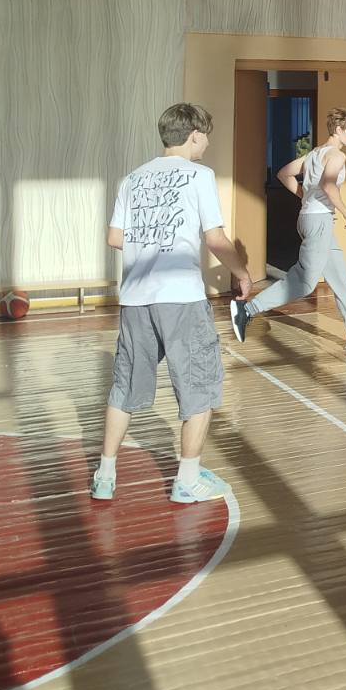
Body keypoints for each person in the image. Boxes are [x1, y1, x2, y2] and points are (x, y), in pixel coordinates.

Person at [92, 103, 252, 505]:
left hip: (135, 299)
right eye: (206, 136)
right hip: (181, 298)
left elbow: (115, 237)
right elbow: (215, 238)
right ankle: (187, 481)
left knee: (125, 385)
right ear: (194, 134)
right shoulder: (200, 176)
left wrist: (150, 243)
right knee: (199, 385)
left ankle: (105, 476)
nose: (208, 144)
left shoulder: (132, 179)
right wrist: (242, 272)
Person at [230, 108, 346, 355]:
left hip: (311, 218)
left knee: (340, 277)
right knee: (304, 283)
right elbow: (328, 185)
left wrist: (305, 196)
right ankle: (247, 310)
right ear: (339, 130)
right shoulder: (337, 155)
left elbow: (284, 174)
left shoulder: (314, 154)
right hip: (320, 221)